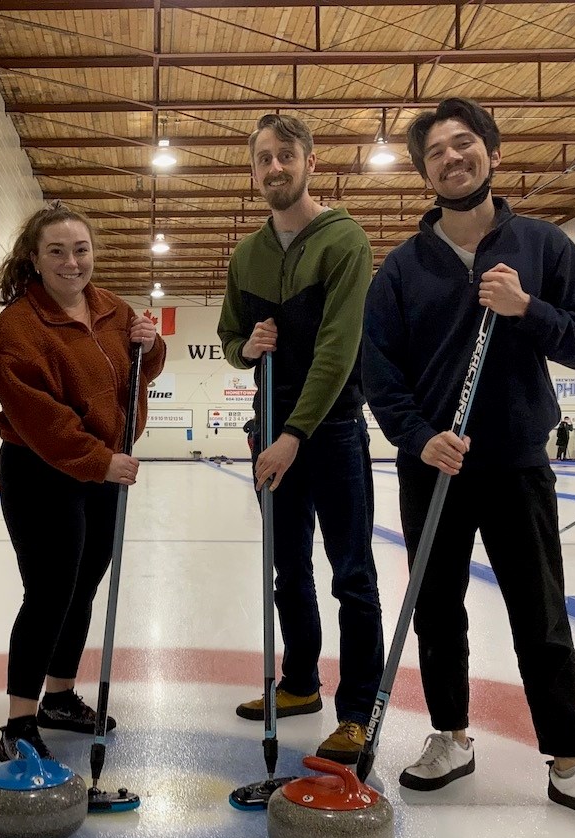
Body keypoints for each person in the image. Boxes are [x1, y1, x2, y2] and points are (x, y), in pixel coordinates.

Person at [362, 97, 575, 832]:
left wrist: (528, 307)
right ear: (424, 170)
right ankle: (450, 736)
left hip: (519, 463)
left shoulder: (544, 247)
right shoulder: (401, 268)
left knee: (540, 615)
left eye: (465, 145)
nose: (452, 159)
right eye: (436, 152)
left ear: (490, 152)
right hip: (435, 467)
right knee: (437, 612)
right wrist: (418, 435)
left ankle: (569, 762)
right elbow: (379, 372)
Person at [217, 113, 385, 764]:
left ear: (311, 162)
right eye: (263, 159)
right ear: (253, 171)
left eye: (286, 156)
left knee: (352, 575)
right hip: (270, 428)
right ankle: (299, 683)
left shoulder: (345, 242)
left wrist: (291, 434)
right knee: (287, 569)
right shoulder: (245, 255)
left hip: (333, 427)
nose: (274, 169)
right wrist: (244, 347)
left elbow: (339, 350)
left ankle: (357, 711)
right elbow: (232, 338)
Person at [0, 205, 166, 762]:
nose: (72, 262)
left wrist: (149, 344)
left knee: (84, 583)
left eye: (81, 249)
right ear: (34, 259)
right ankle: (18, 722)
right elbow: (40, 417)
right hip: (44, 470)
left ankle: (59, 696)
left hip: (100, 470)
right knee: (48, 591)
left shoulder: (111, 307)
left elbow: (137, 372)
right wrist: (99, 460)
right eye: (57, 251)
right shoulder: (18, 327)